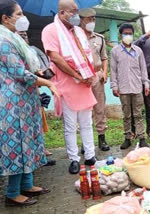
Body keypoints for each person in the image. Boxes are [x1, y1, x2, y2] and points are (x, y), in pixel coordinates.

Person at [0, 0, 59, 206]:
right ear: (5, 18)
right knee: (17, 146)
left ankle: (27, 184)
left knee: (28, 142)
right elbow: (20, 74)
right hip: (14, 103)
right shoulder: (1, 41)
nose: (23, 18)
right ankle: (12, 194)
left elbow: (24, 67)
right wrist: (47, 82)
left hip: (25, 100)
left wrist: (39, 73)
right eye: (19, 14)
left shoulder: (12, 37)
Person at [42, 0, 98, 174]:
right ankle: (74, 159)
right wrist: (76, 75)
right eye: (72, 12)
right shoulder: (50, 30)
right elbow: (56, 58)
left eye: (77, 11)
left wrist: (89, 76)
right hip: (67, 84)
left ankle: (90, 155)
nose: (76, 15)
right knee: (70, 125)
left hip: (84, 84)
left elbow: (87, 57)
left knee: (87, 123)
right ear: (62, 13)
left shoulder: (80, 31)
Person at [17, 31, 56, 166]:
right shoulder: (14, 52)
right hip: (21, 95)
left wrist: (42, 75)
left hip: (34, 91)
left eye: (25, 35)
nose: (24, 37)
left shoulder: (32, 51)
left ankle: (40, 153)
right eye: (20, 35)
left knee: (38, 123)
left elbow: (38, 68)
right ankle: (34, 157)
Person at [110, 23, 150, 149]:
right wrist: (114, 86)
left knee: (138, 114)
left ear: (133, 35)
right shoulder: (115, 51)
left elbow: (143, 69)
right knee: (126, 115)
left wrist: (146, 83)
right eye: (125, 33)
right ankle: (127, 137)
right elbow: (113, 71)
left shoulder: (138, 51)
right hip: (123, 89)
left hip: (137, 87)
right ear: (120, 35)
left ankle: (141, 137)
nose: (128, 35)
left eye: (130, 33)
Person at [79, 8, 110, 152]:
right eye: (88, 19)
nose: (91, 22)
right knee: (84, 109)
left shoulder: (99, 38)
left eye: (93, 19)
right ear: (81, 20)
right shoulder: (75, 37)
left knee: (99, 107)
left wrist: (104, 72)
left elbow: (104, 58)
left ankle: (101, 137)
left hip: (97, 76)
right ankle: (85, 141)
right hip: (82, 78)